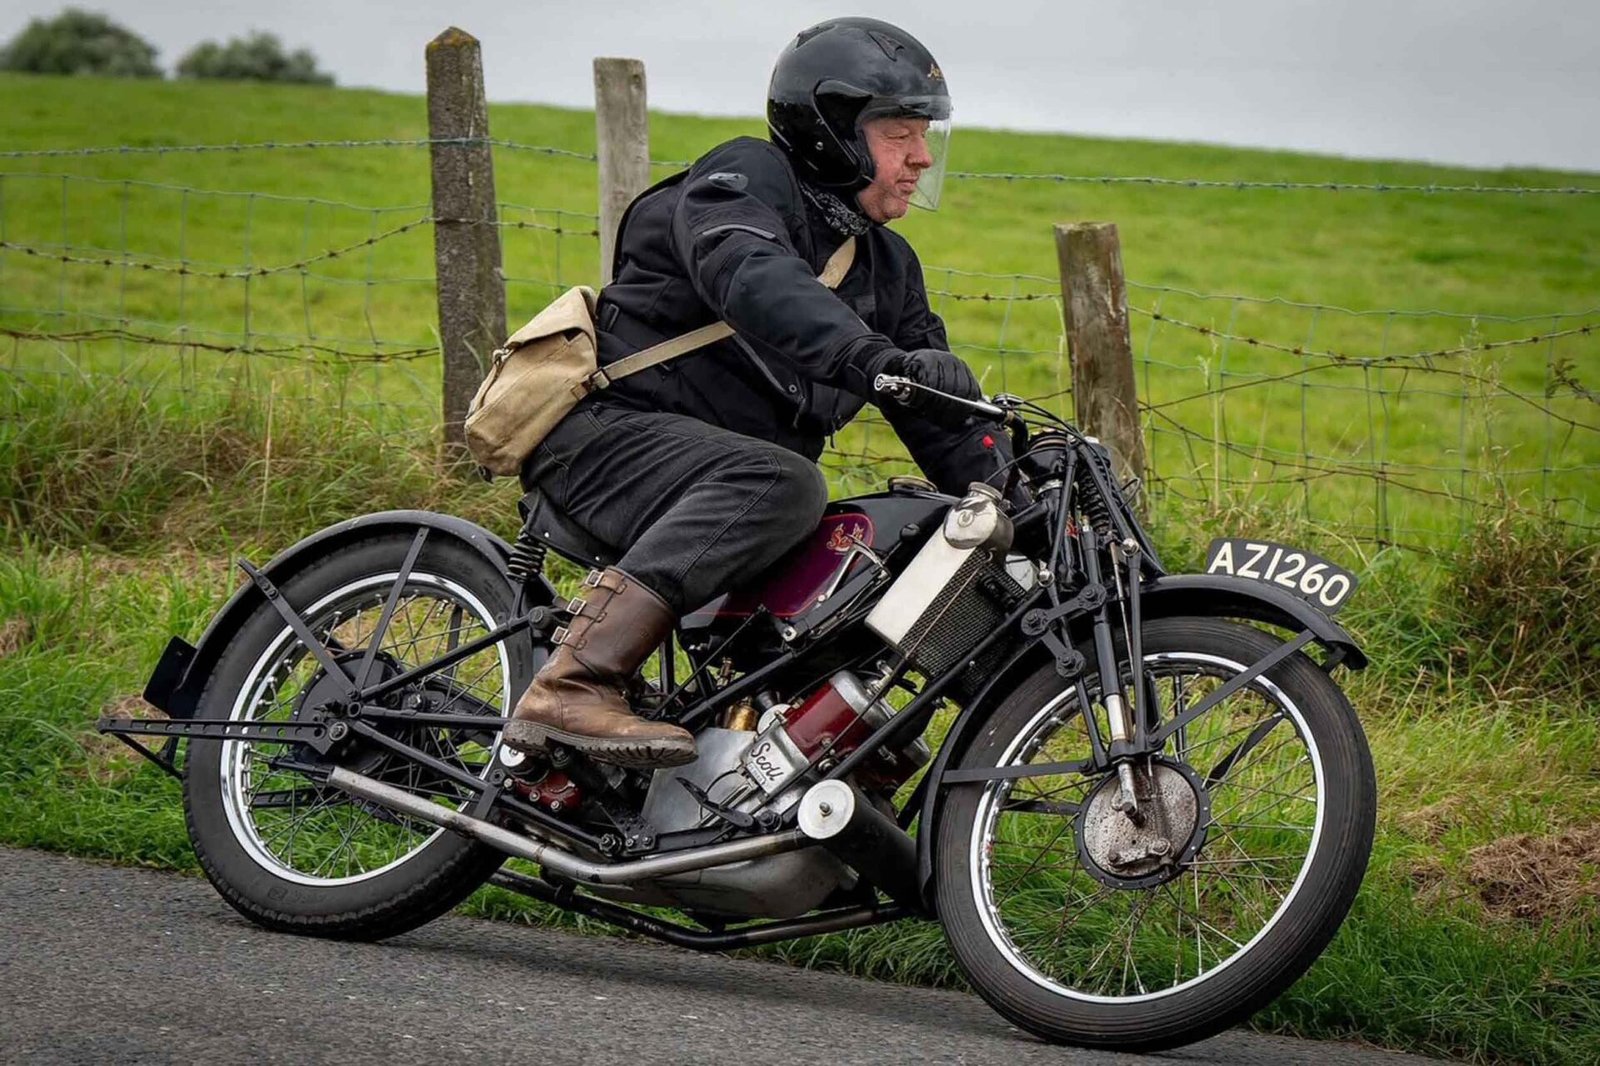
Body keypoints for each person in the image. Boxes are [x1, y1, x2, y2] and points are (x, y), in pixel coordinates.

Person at [502, 17, 1013, 769]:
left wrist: (1030, 493)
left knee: (870, 608)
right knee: (783, 481)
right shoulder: (744, 179)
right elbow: (751, 274)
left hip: (720, 493)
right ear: (832, 130)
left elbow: (944, 425)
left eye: (925, 132)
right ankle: (572, 686)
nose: (921, 156)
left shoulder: (889, 268)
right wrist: (869, 358)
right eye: (900, 131)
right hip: (608, 441)